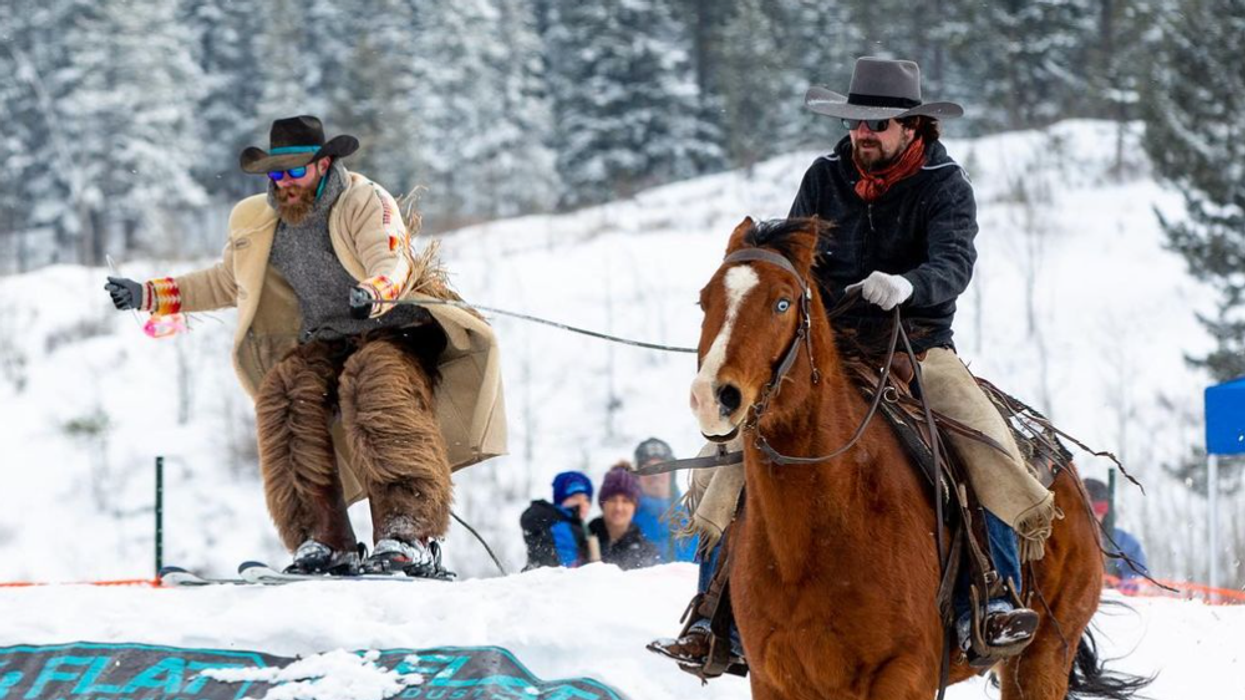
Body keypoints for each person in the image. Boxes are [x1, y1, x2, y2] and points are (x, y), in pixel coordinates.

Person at [654, 57, 1055, 668]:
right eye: (856, 123)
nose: (863, 134)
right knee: (729, 452)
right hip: (825, 351)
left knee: (986, 447)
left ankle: (994, 599)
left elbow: (954, 264)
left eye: (877, 124)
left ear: (912, 126)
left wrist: (909, 285)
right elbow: (794, 262)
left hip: (918, 348)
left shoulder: (946, 185)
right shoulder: (824, 176)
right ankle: (711, 616)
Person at [103, 115, 506, 577]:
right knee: (286, 391)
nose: (286, 183)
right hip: (331, 338)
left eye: (296, 171)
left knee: (373, 381)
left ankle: (407, 534)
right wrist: (148, 295)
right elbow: (226, 282)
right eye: (277, 174)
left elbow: (391, 260)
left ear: (324, 164)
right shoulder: (259, 221)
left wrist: (374, 292)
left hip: (396, 330)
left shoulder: (363, 201)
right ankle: (324, 538)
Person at [632, 438, 698, 563]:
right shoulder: (623, 522)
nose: (655, 475)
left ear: (672, 474)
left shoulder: (694, 521)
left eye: (661, 468)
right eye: (647, 468)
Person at [588, 464, 660, 570]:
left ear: (634, 507)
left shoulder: (646, 551)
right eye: (612, 500)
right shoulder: (581, 541)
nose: (618, 508)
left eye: (626, 501)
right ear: (603, 503)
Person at [520, 471, 593, 570]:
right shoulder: (554, 523)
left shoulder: (581, 528)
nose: (583, 504)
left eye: (587, 500)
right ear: (561, 499)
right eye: (576, 498)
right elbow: (564, 562)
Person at [1084, 478, 1149, 584]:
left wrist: (1119, 582)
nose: (1095, 516)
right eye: (1088, 510)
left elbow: (1140, 581)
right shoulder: (1063, 541)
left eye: (1100, 508)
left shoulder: (1124, 542)